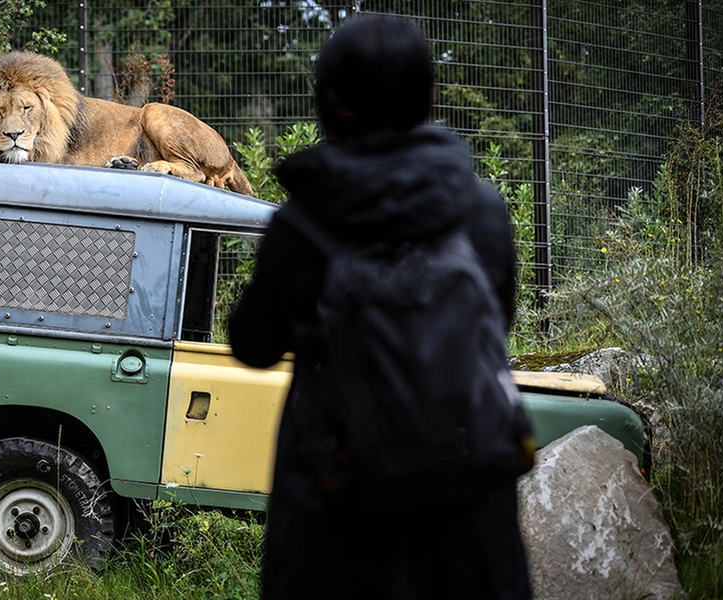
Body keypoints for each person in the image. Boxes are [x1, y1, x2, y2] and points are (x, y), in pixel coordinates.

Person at [228, 14, 532, 599]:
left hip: (336, 502)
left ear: (331, 100)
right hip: (465, 495)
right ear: (427, 97)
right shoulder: (480, 210)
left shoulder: (305, 219)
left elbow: (253, 345)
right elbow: (496, 321)